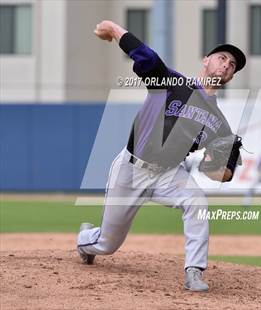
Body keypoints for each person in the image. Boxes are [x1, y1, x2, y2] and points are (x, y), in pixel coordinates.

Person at [76, 20, 246, 292]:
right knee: (108, 244)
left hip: (168, 174)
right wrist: (113, 28)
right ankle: (86, 238)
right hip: (131, 169)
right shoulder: (171, 82)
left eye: (232, 65)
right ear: (206, 60)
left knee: (197, 201)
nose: (226, 64)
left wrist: (221, 165)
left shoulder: (219, 123)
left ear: (231, 77)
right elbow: (146, 56)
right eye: (222, 57)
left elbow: (220, 174)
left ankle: (194, 271)